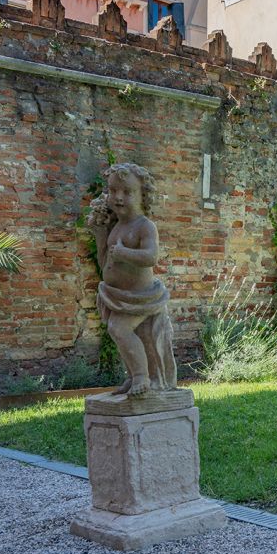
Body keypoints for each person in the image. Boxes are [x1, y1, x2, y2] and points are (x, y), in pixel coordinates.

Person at [88, 163, 177, 396]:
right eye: (113, 190)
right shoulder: (117, 226)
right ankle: (132, 375)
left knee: (119, 329)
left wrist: (124, 253)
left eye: (127, 192)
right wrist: (100, 235)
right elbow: (105, 262)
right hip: (118, 295)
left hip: (140, 296)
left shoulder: (144, 226)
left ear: (142, 195)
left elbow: (151, 257)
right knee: (122, 333)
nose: (118, 197)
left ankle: (141, 377)